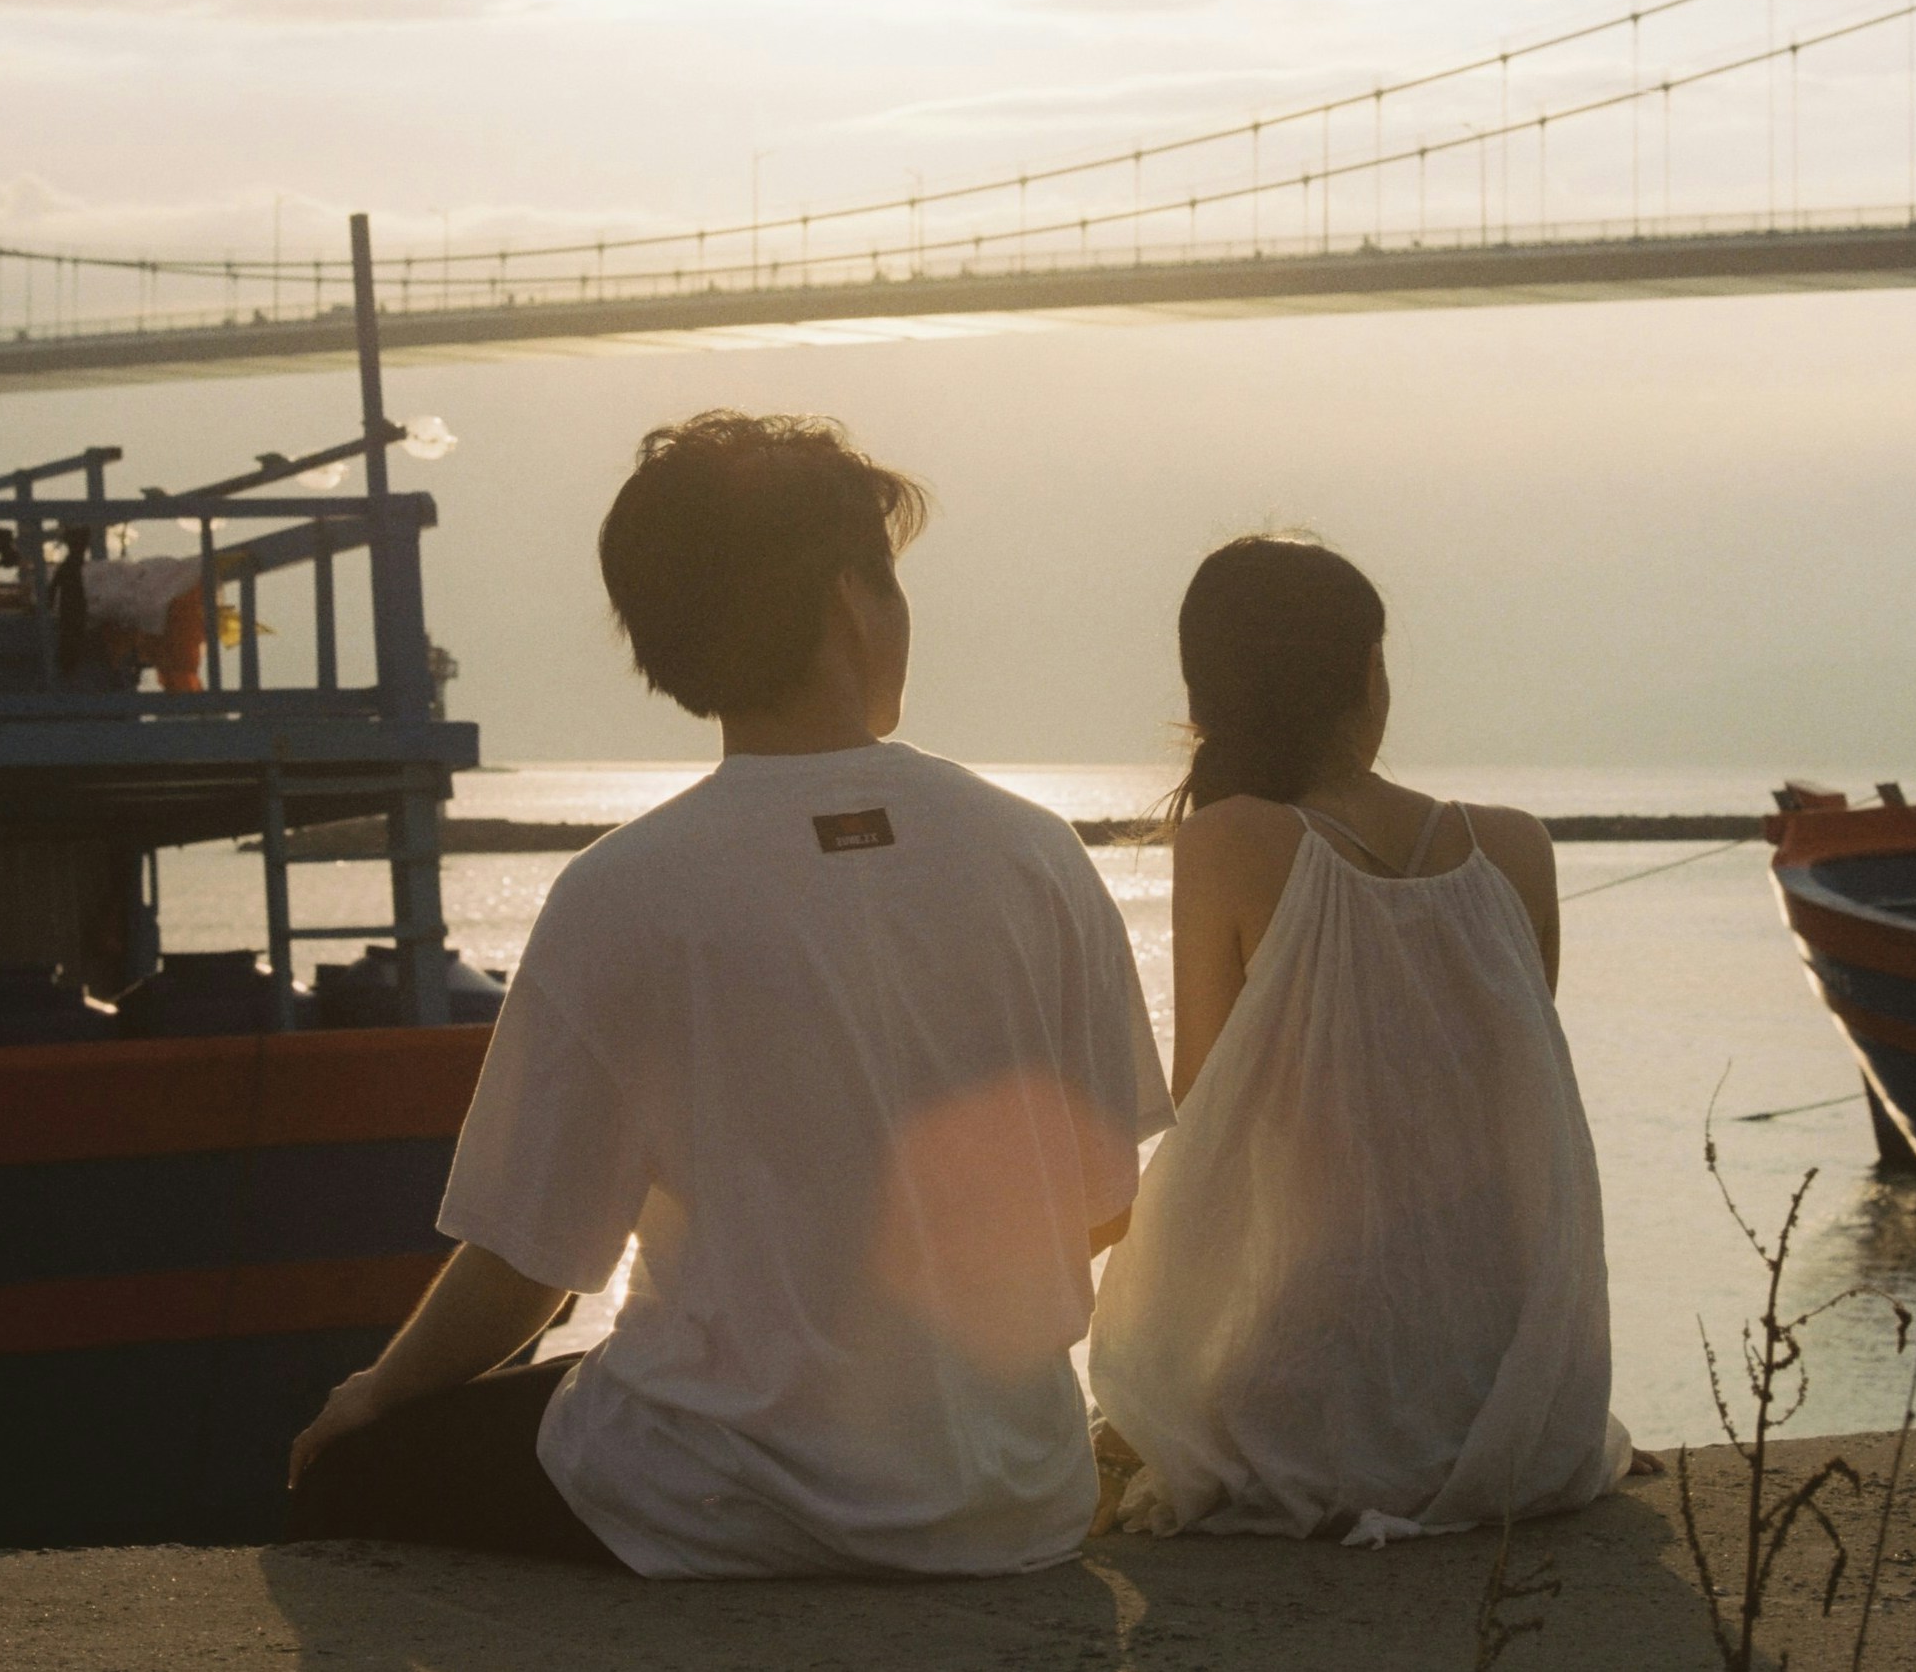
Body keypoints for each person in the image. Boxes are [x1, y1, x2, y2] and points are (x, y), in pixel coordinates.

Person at [285, 411, 1173, 1576]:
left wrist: (372, 1392)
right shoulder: (1037, 854)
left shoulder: (625, 891)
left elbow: (530, 1263)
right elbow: (1100, 1205)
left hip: (736, 1503)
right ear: (854, 600)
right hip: (1019, 1498)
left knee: (358, 1469)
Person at [1087, 533, 1634, 1542]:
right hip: (1516, 1389)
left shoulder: (1230, 840)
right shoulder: (1514, 846)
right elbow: (1504, 1108)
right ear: (1365, 677)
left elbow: (1204, 1113)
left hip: (1325, 1378)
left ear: (1211, 696)